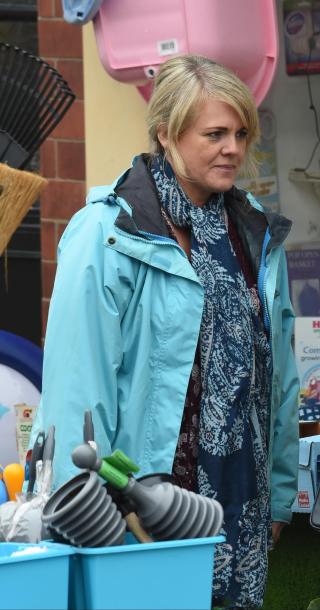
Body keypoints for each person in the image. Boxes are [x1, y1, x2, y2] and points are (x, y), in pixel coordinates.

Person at [33, 55, 299, 608]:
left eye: (241, 133)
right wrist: (88, 510)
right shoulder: (108, 233)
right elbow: (78, 387)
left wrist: (277, 494)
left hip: (239, 504)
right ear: (165, 134)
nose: (233, 148)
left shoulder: (252, 231)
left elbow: (278, 377)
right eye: (215, 133)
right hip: (143, 508)